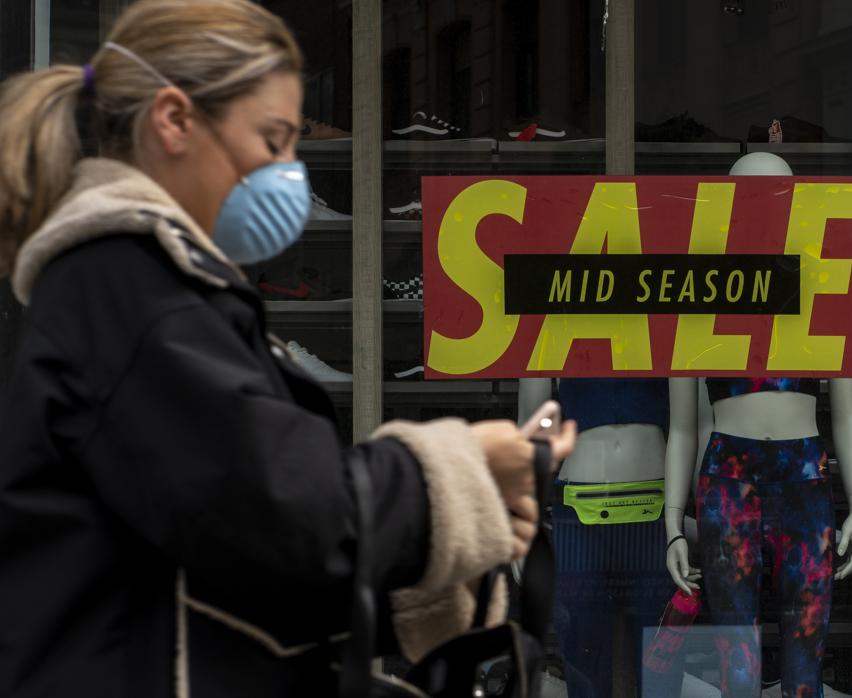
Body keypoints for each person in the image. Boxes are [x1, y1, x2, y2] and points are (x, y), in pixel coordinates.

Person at [0, 1, 575, 696]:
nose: (290, 171)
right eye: (273, 140)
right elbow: (286, 519)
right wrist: (455, 474)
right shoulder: (132, 287)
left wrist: (449, 546)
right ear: (175, 121)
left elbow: (238, 566)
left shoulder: (145, 289)